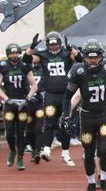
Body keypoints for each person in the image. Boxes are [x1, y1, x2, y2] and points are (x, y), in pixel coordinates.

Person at [62, 39, 106, 191]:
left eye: (96, 57)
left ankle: (104, 180)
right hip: (86, 117)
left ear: (101, 56)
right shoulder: (79, 71)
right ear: (84, 57)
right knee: (89, 152)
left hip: (105, 115)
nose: (93, 60)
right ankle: (91, 183)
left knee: (105, 150)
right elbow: (67, 97)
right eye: (89, 57)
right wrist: (66, 115)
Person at [22, 32, 82, 166]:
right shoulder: (43, 54)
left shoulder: (67, 53)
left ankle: (65, 153)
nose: (54, 47)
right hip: (50, 95)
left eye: (56, 44)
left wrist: (70, 47)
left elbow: (80, 59)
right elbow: (26, 60)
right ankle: (47, 150)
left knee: (65, 124)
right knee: (49, 122)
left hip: (66, 96)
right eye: (52, 44)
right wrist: (32, 46)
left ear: (60, 44)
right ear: (48, 45)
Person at [0, 44, 38, 170]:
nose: (14, 55)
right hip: (10, 103)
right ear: (7, 54)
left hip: (22, 104)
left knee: (21, 132)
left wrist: (28, 98)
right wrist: (7, 99)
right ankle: (12, 151)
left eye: (16, 53)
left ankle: (20, 158)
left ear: (19, 53)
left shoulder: (24, 65)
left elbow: (34, 85)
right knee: (10, 132)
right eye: (11, 53)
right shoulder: (2, 66)